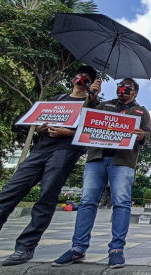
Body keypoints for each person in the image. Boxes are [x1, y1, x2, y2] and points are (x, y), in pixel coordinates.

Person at [0, 66, 97, 266]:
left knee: (47, 197)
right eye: (79, 75)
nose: (81, 79)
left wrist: (67, 132)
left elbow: (92, 133)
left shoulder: (91, 105)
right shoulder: (59, 100)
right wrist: (40, 127)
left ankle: (25, 247)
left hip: (65, 152)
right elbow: (38, 122)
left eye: (86, 77)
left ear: (91, 83)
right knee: (10, 191)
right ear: (73, 79)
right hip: (40, 149)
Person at [52, 78, 151, 269]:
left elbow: (148, 134)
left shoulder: (141, 112)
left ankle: (116, 250)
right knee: (87, 201)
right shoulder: (103, 106)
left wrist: (142, 136)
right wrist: (92, 96)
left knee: (122, 203)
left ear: (135, 92)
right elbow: (84, 118)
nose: (122, 91)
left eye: (127, 88)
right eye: (119, 88)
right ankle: (78, 247)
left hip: (123, 161)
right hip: (96, 158)